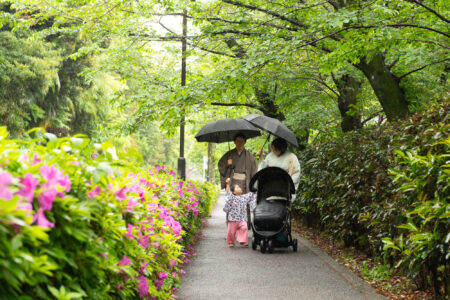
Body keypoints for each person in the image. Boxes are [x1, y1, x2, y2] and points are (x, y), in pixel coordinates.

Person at [218, 133, 257, 228]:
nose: (240, 143)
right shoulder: (229, 154)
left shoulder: (249, 155)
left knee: (245, 203)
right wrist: (228, 165)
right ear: (234, 142)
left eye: (242, 141)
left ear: (245, 142)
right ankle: (231, 225)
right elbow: (221, 165)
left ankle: (245, 225)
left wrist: (253, 185)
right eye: (238, 141)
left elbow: (254, 170)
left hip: (245, 183)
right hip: (233, 182)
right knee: (232, 203)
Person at [223, 178, 256, 247]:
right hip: (233, 219)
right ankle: (231, 242)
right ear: (234, 192)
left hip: (242, 218)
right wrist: (228, 184)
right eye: (237, 187)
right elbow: (228, 192)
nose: (240, 188)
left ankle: (242, 241)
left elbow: (251, 194)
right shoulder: (232, 197)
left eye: (239, 187)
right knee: (231, 232)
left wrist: (256, 187)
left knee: (244, 228)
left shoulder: (244, 197)